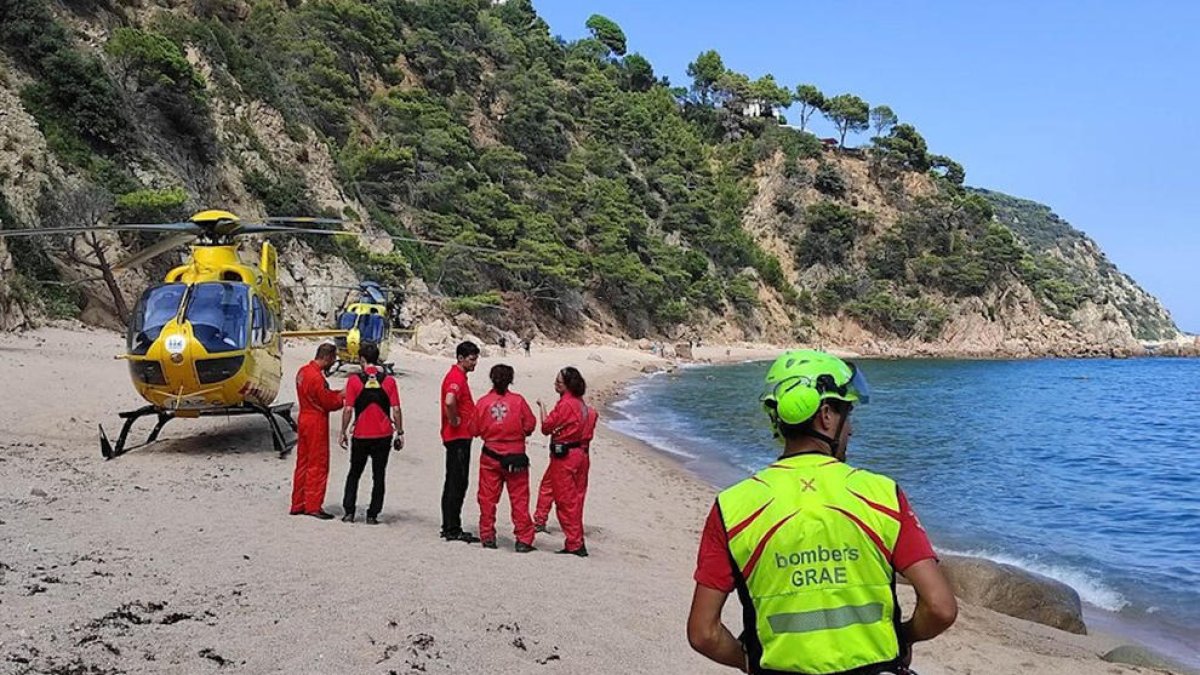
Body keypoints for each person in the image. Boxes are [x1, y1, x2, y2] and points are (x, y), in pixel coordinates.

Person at [687, 350, 957, 675]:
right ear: (826, 415)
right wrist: (904, 637)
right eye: (848, 414)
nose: (851, 430)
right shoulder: (882, 494)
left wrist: (748, 661)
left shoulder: (733, 507)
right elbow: (940, 608)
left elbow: (703, 633)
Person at [471, 364, 537, 552]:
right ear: (511, 380)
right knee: (519, 499)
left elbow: (474, 429)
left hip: (490, 456)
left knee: (487, 499)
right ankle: (524, 540)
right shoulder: (518, 401)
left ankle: (488, 537)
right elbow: (530, 425)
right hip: (515, 456)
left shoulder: (483, 403)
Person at [533, 367, 598, 557]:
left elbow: (546, 428)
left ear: (567, 385)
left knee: (565, 500)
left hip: (565, 457)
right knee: (575, 498)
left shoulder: (566, 405)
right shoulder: (584, 407)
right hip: (581, 455)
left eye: (558, 382)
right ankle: (572, 537)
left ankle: (574, 542)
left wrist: (542, 407)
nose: (555, 384)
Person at [338, 343, 403, 525]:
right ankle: (372, 514)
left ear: (362, 360)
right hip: (383, 435)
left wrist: (343, 431)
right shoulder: (389, 381)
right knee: (379, 475)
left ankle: (349, 512)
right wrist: (400, 432)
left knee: (354, 473)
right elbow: (396, 410)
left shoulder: (354, 381)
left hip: (361, 434)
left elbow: (348, 409)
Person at [291, 343, 344, 519]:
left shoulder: (303, 372)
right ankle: (313, 505)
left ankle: (298, 503)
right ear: (328, 357)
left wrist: (335, 394)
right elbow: (327, 402)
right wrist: (341, 397)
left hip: (304, 417)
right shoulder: (316, 378)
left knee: (303, 462)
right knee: (318, 463)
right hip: (316, 421)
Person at [440, 341, 481, 542]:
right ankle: (452, 527)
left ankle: (450, 525)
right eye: (472, 359)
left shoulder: (459, 376)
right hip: (457, 436)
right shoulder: (455, 377)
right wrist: (454, 419)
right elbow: (449, 400)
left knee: (455, 481)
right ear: (461, 358)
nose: (475, 363)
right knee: (457, 481)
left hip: (460, 436)